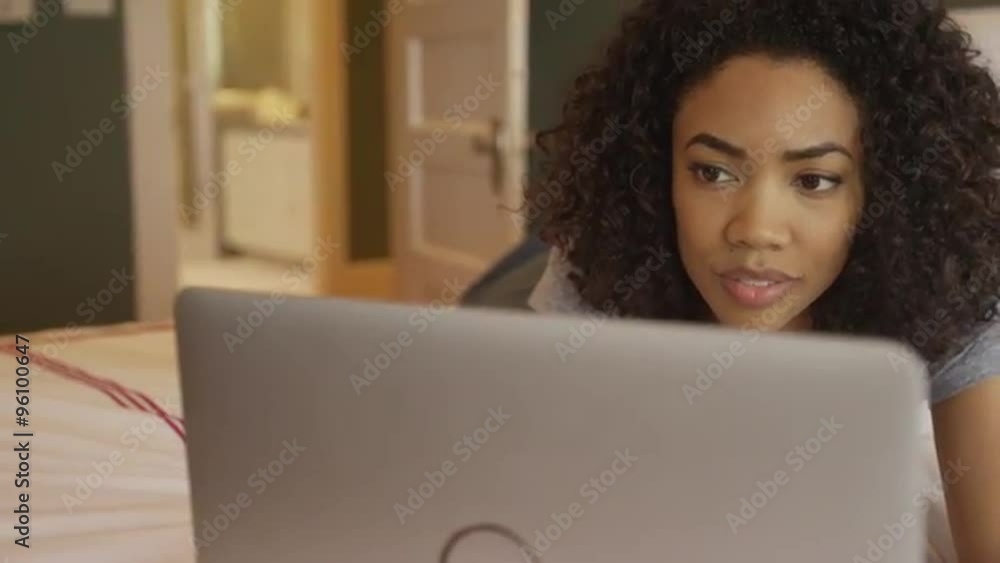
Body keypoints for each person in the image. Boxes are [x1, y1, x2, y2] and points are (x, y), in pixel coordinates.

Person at [522, 1, 1000, 561]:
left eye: (814, 180)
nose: (756, 230)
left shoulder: (950, 283)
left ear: (883, 189)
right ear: (655, 170)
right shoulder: (602, 263)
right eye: (713, 172)